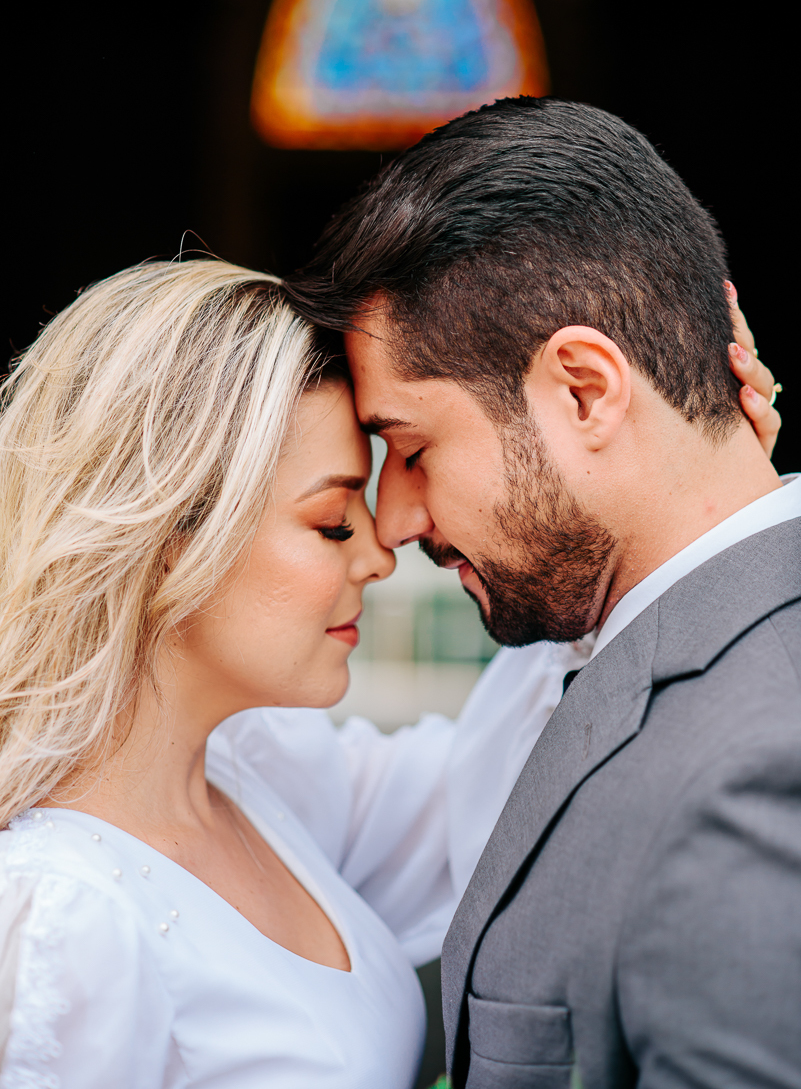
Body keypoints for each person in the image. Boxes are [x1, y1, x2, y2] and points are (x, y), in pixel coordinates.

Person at [282, 96, 800, 1089]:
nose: (392, 523)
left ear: (585, 391)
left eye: (414, 448)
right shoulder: (637, 651)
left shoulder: (762, 777)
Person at [0, 257, 592, 1089]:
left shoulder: (258, 775)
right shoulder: (61, 920)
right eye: (330, 523)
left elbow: (494, 781)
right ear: (174, 539)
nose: (381, 554)